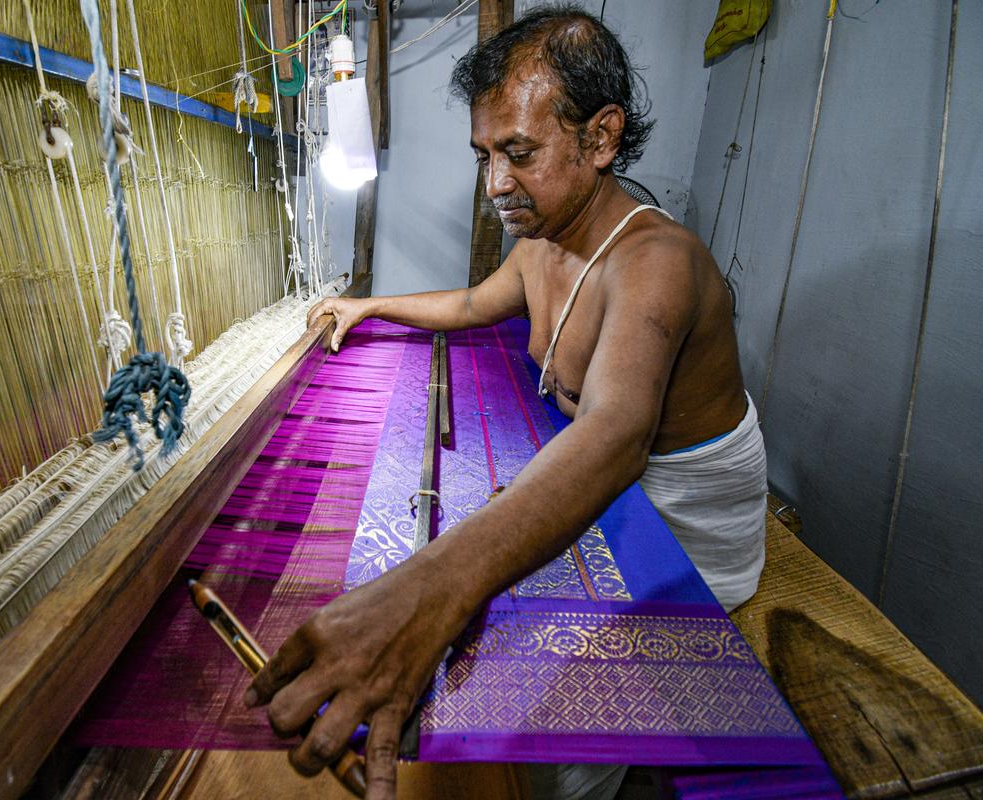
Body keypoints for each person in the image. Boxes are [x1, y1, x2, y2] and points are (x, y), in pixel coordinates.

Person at [245, 5, 768, 798]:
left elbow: (616, 436)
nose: (495, 184)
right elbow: (467, 306)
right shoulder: (543, 242)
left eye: (518, 153)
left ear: (600, 137)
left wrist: (430, 588)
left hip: (683, 534)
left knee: (537, 702)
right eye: (484, 154)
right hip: (621, 489)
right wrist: (370, 308)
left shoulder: (656, 261)